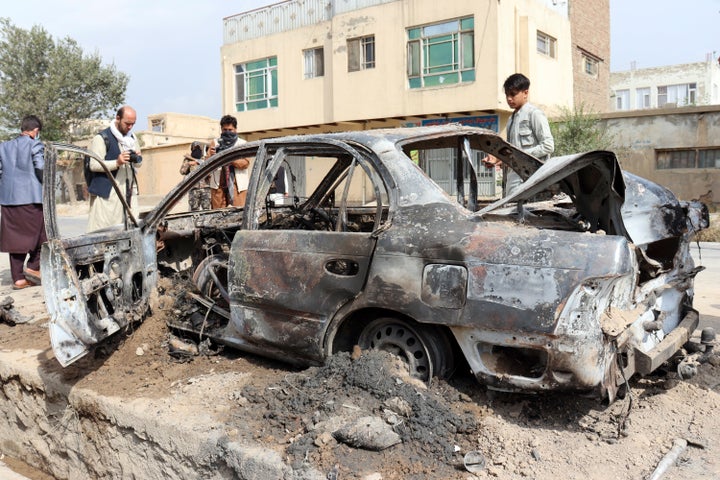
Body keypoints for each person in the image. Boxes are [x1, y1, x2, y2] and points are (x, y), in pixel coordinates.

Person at [487, 73, 554, 196]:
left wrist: (521, 155)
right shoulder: (511, 119)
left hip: (532, 179)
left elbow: (548, 145)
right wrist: (497, 159)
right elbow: (511, 152)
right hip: (513, 178)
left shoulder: (534, 114)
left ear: (525, 93)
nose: (509, 99)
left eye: (513, 94)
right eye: (507, 95)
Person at [0, 115, 46, 290]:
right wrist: (44, 184)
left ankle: (18, 279)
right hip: (30, 199)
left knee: (15, 240)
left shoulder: (3, 147)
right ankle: (34, 267)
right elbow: (40, 167)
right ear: (35, 131)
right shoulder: (35, 144)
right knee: (42, 234)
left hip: (8, 200)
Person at [86, 106, 142, 231]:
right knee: (106, 232)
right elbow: (93, 165)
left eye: (133, 124)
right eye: (127, 123)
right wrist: (117, 162)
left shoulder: (132, 139)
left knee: (131, 231)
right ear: (118, 118)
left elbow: (138, 165)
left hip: (129, 193)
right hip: (109, 195)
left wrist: (137, 158)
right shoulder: (101, 138)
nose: (130, 127)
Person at [207, 115, 250, 208]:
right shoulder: (215, 143)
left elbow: (245, 163)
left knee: (238, 214)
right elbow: (206, 164)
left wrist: (228, 156)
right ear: (221, 130)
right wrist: (212, 156)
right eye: (225, 130)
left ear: (235, 129)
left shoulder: (242, 144)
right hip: (218, 185)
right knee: (218, 216)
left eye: (230, 130)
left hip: (238, 186)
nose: (227, 132)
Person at [179, 141, 211, 211]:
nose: (197, 150)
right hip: (193, 188)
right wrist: (188, 164)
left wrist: (200, 164)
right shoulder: (188, 159)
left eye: (199, 148)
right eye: (195, 148)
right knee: (194, 210)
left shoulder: (205, 159)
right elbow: (182, 171)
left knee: (206, 210)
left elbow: (210, 174)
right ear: (192, 149)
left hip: (206, 188)